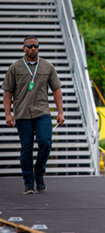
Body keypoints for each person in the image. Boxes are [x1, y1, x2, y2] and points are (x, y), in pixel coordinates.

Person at [2, 35, 65, 194]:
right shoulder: (15, 68)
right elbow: (7, 92)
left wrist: (60, 112)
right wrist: (8, 114)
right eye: (29, 46)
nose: (33, 49)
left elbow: (56, 89)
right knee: (26, 148)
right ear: (24, 48)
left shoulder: (47, 67)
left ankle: (39, 172)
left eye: (36, 46)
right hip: (22, 114)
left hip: (42, 112)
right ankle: (28, 183)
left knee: (45, 142)